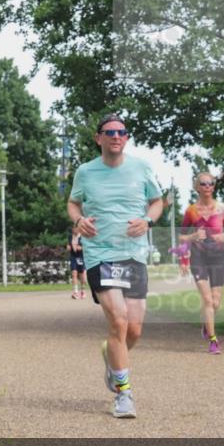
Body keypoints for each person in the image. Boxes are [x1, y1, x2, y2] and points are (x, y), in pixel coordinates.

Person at [68, 113, 163, 418]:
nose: (116, 136)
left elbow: (158, 201)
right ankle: (124, 393)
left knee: (134, 329)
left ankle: (111, 357)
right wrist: (79, 220)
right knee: (118, 321)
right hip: (100, 254)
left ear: (126, 137)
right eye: (109, 132)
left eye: (121, 132)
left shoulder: (141, 167)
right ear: (98, 138)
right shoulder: (85, 172)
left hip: (133, 254)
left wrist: (148, 221)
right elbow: (73, 203)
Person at [180, 172, 224, 354]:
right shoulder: (191, 211)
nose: (208, 186)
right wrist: (193, 236)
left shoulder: (223, 208)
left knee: (216, 302)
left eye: (211, 183)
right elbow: (181, 236)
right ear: (197, 187)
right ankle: (213, 340)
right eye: (203, 183)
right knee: (208, 299)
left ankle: (206, 326)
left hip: (218, 256)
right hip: (198, 256)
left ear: (214, 186)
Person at [67, 228, 86, 299]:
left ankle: (83, 291)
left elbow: (86, 247)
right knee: (74, 274)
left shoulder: (82, 237)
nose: (74, 230)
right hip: (73, 257)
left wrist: (82, 248)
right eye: (73, 228)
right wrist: (68, 247)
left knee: (82, 276)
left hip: (80, 257)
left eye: (76, 228)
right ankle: (75, 292)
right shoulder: (70, 236)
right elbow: (69, 245)